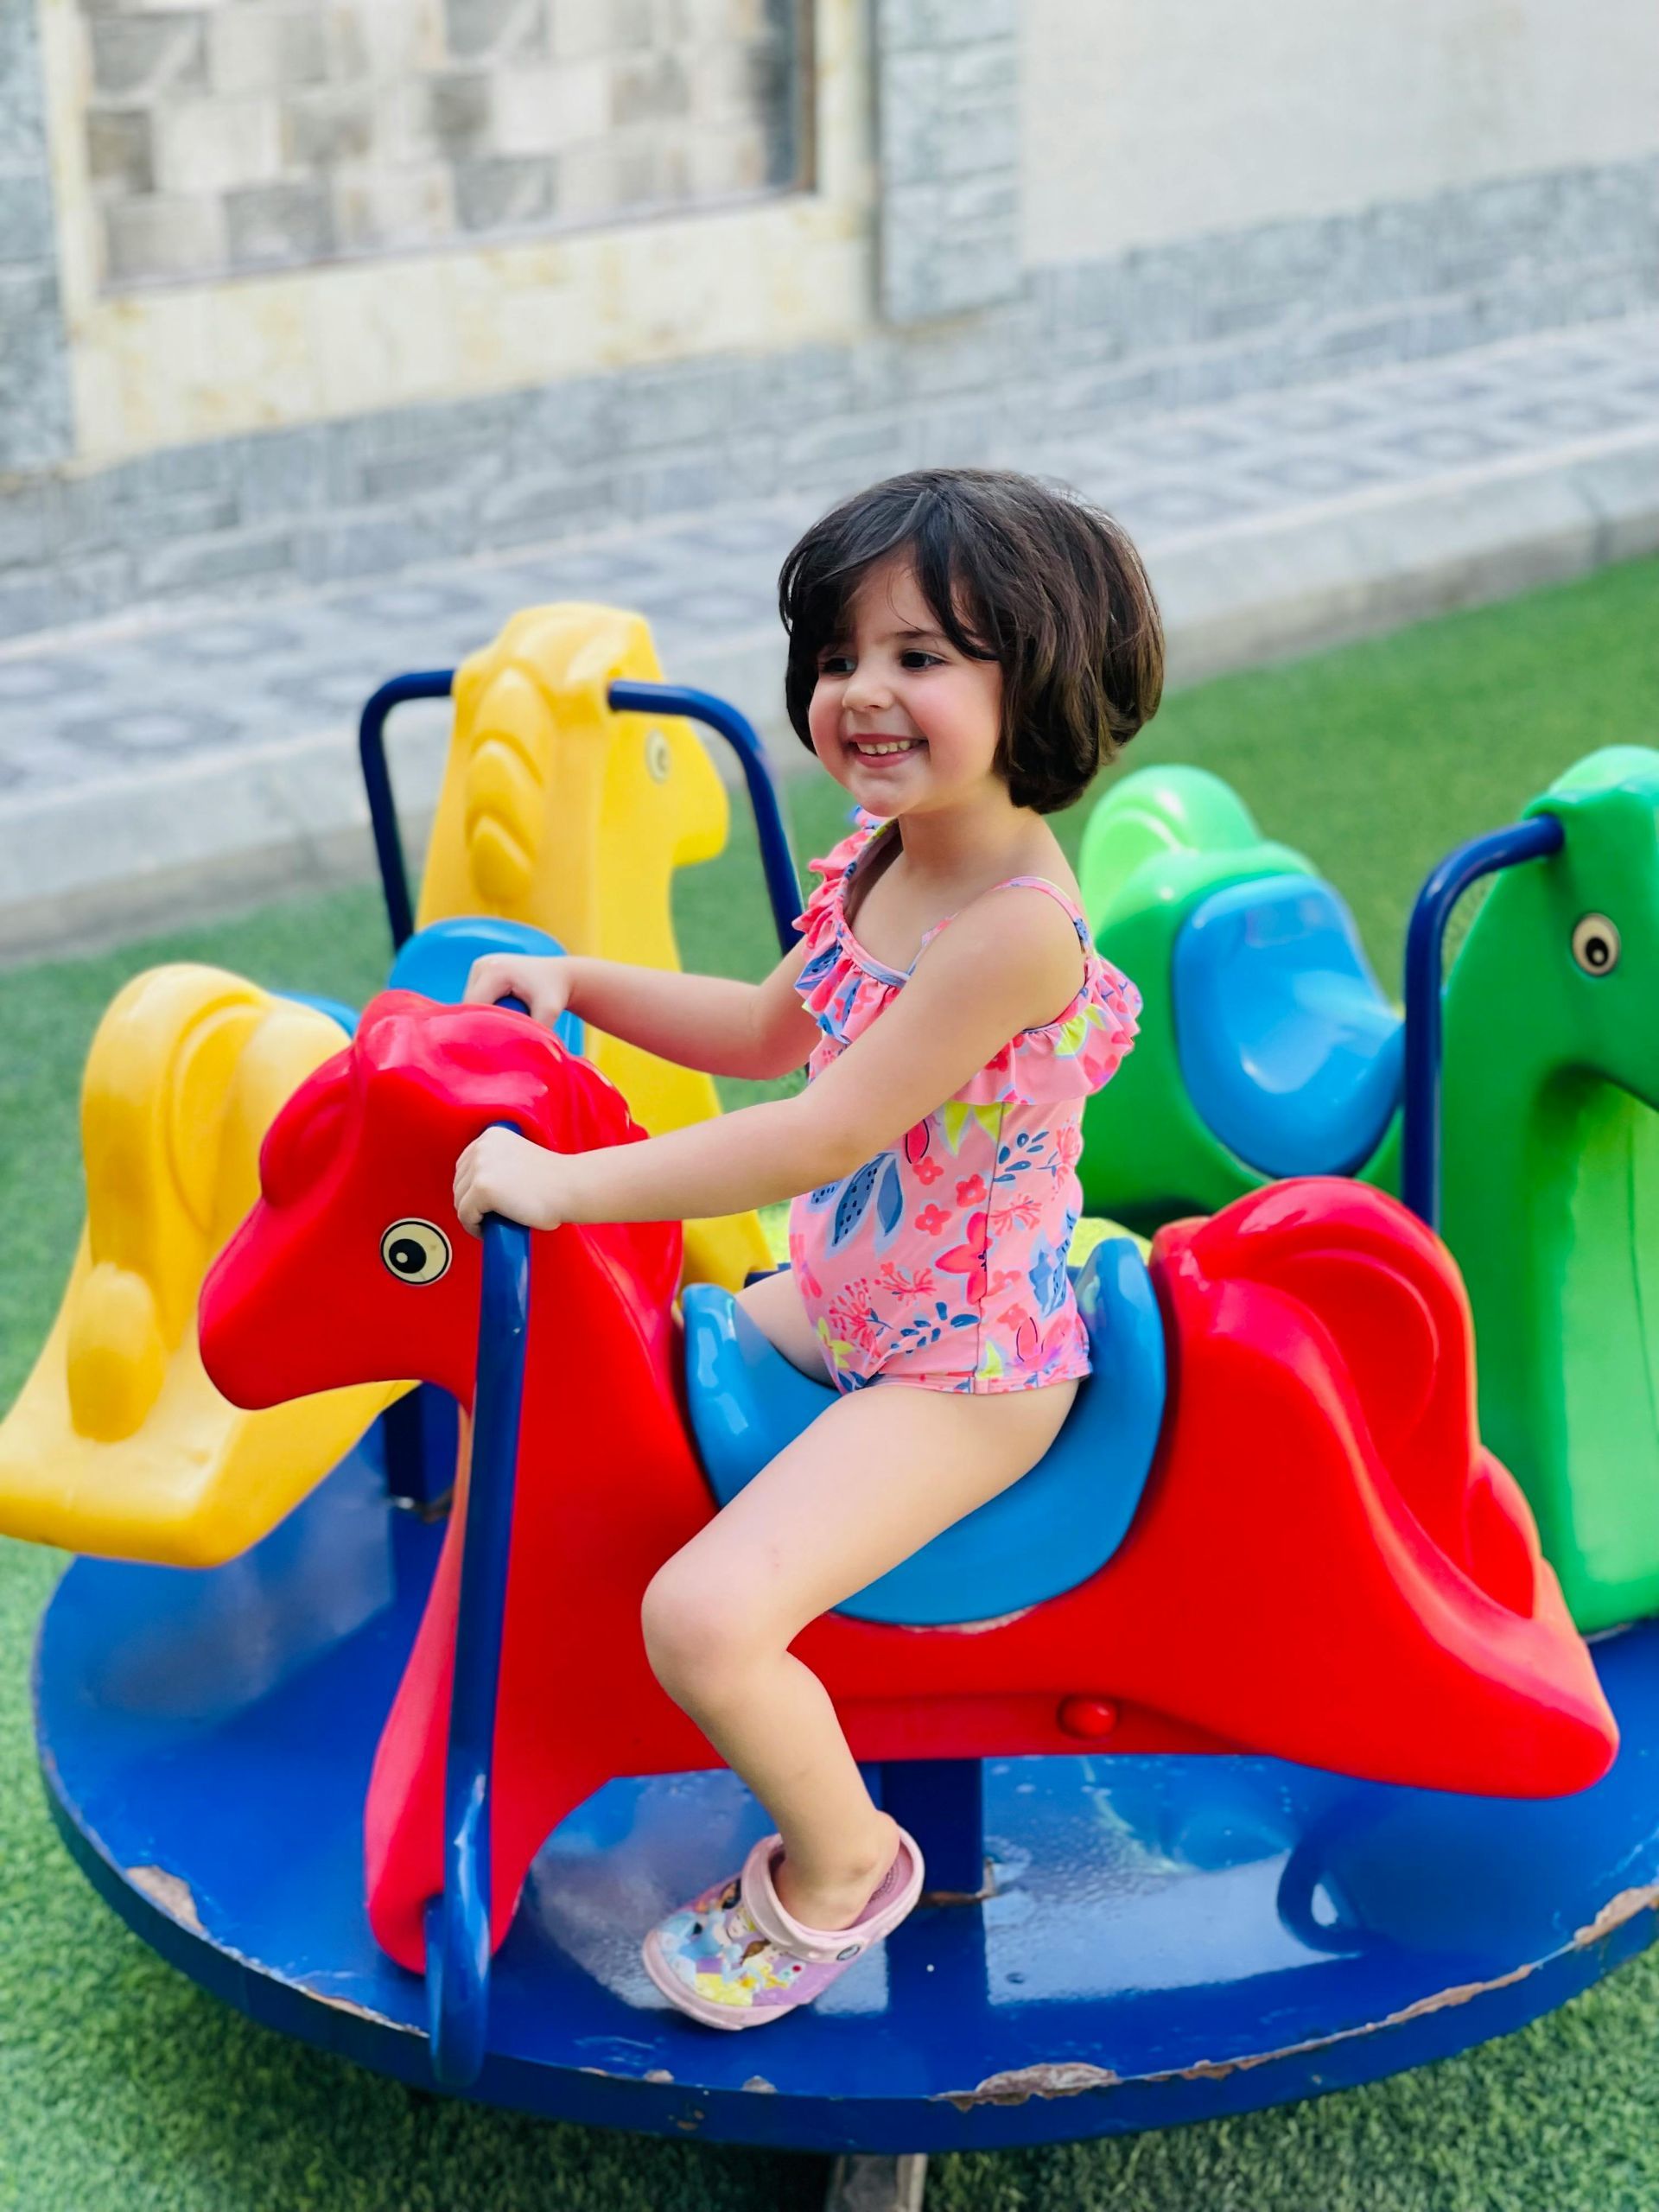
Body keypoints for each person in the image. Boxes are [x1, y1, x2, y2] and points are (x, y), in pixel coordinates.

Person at [454, 467, 1162, 2028]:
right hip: (845, 1297)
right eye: (843, 658)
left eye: (921, 657)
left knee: (703, 1614)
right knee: (623, 1385)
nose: (864, 694)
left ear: (1033, 675)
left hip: (961, 1368)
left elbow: (822, 1132)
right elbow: (773, 1030)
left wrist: (572, 1185)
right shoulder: (885, 856)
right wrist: (580, 978)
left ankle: (844, 1864)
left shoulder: (1014, 932)